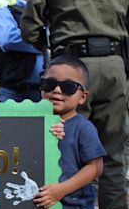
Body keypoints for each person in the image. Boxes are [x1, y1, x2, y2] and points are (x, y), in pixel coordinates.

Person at [20, 0, 129, 207]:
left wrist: (57, 51)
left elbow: (30, 26)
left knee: (67, 151)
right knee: (113, 155)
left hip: (70, 66)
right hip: (114, 63)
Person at [34, 56, 106, 208]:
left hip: (73, 204)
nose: (57, 90)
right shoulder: (32, 122)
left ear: (82, 97)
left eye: (68, 87)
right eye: (49, 84)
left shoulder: (83, 127)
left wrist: (61, 190)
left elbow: (96, 166)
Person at [0, 0, 42, 102]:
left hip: (46, 92)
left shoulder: (49, 15)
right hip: (13, 92)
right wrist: (45, 43)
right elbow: (9, 40)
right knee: (8, 122)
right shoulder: (3, 13)